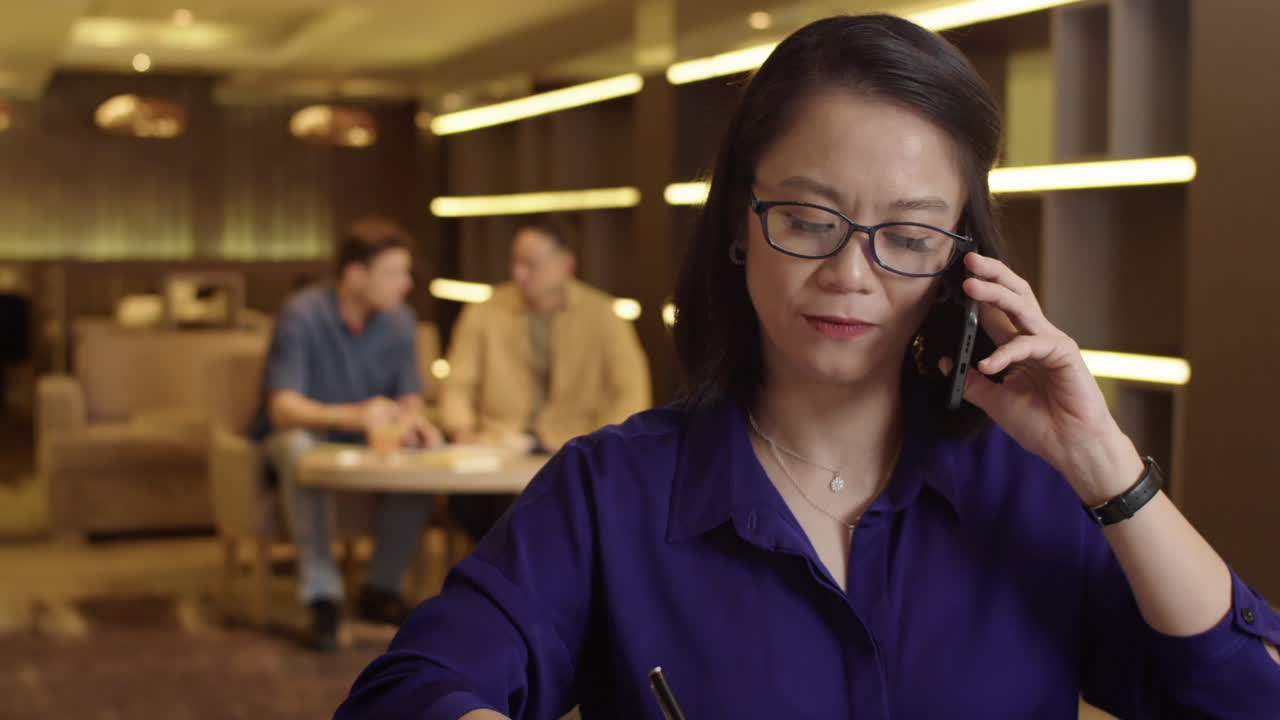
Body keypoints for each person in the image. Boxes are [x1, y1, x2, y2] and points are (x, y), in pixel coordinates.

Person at [337, 15, 1280, 718]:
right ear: (742, 227)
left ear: (963, 259)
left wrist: (1103, 461)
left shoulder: (1028, 491)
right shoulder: (611, 488)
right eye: (807, 218)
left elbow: (1248, 699)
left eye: (908, 235)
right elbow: (413, 688)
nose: (850, 275)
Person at [251, 216, 442, 652]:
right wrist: (354, 416)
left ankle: (381, 588)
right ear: (355, 275)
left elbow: (409, 396)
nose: (406, 283)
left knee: (416, 460)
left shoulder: (400, 320)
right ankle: (323, 595)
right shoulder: (302, 313)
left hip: (366, 439)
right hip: (305, 433)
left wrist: (415, 422)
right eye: (394, 273)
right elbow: (283, 408)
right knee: (304, 456)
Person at [438, 215, 650, 540]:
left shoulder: (603, 316)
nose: (518, 273)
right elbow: (457, 385)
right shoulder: (483, 312)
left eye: (530, 264)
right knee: (483, 510)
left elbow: (631, 394)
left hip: (575, 449)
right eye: (515, 261)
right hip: (496, 449)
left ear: (565, 265)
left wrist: (600, 444)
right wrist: (462, 430)